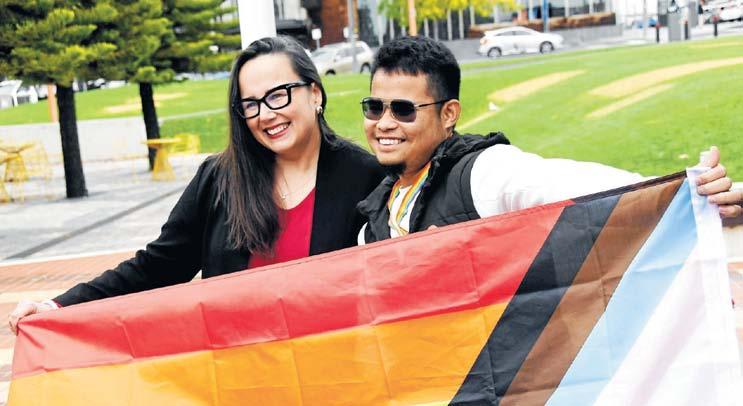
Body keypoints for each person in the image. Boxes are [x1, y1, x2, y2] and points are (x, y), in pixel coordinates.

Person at [8, 36, 384, 334]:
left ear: (314, 93)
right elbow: (158, 265)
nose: (266, 114)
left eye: (277, 95)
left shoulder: (366, 177)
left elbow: (389, 281)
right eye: (250, 104)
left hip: (331, 378)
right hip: (236, 380)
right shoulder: (219, 178)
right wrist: (58, 306)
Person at [357, 36, 741, 244]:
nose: (384, 123)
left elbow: (593, 190)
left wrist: (688, 194)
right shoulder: (372, 221)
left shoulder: (484, 173)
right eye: (374, 108)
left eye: (403, 110)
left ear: (449, 114)